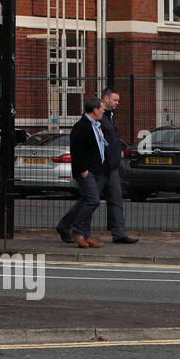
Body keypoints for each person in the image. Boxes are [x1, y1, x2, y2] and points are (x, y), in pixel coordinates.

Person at [55, 96, 107, 248]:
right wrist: (84, 170)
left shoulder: (96, 125)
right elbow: (77, 151)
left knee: (85, 201)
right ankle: (77, 231)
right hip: (85, 171)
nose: (104, 111)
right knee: (93, 201)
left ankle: (79, 232)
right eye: (102, 108)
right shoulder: (81, 126)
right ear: (95, 110)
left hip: (96, 170)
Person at [99, 87, 139, 244]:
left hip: (112, 167)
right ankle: (69, 226)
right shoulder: (98, 116)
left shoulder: (110, 115)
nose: (117, 103)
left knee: (116, 199)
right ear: (106, 99)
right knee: (89, 201)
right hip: (101, 168)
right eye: (115, 100)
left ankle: (119, 233)